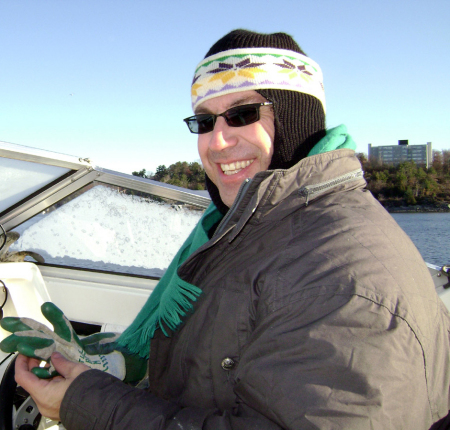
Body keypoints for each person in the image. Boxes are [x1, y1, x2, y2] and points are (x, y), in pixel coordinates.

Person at [2, 29, 450, 430]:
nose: (217, 141)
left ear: (297, 121)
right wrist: (108, 365)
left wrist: (84, 400)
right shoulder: (248, 231)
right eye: (203, 121)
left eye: (242, 114)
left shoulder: (340, 277)